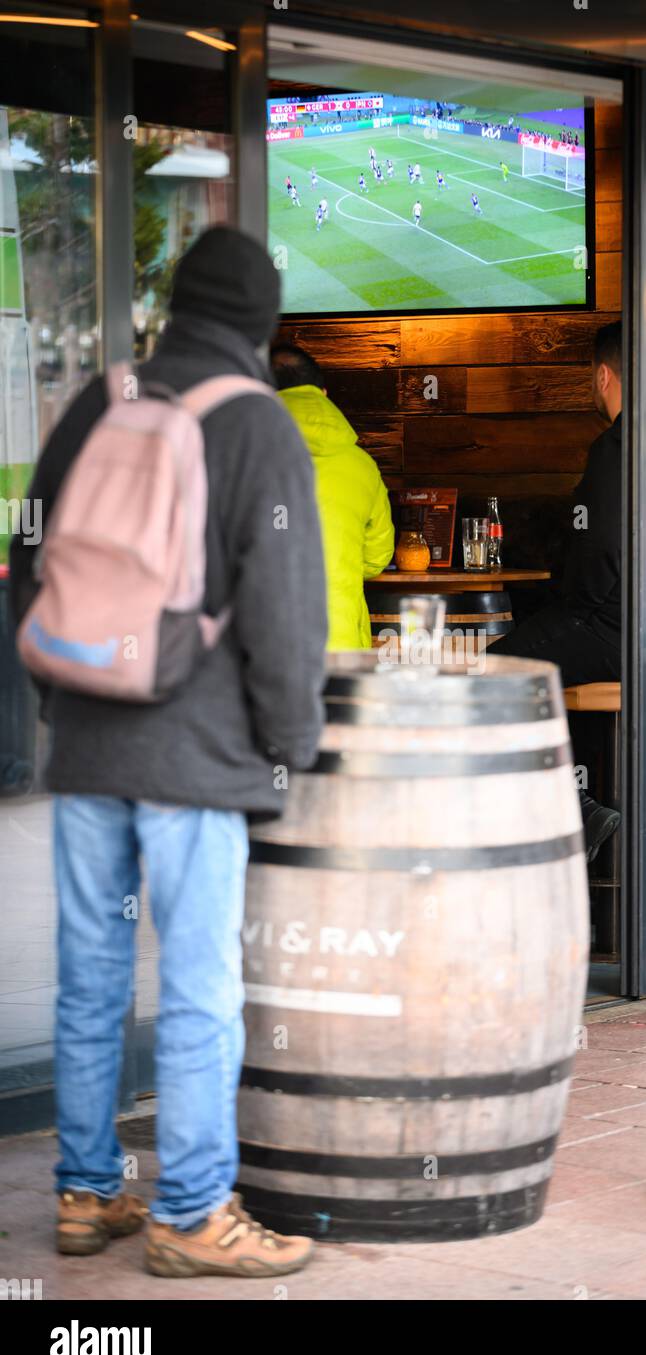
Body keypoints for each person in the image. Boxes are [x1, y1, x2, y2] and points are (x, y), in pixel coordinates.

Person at [9, 227, 328, 1273]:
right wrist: (292, 749)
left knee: (91, 977)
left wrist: (61, 686)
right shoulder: (257, 423)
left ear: (176, 306)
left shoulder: (104, 401)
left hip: (91, 745)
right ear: (263, 325)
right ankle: (191, 1211)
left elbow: (28, 549)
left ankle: (86, 1192)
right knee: (198, 985)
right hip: (196, 755)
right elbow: (286, 615)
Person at [492, 321, 624, 859]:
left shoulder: (617, 446)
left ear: (603, 376)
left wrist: (574, 608)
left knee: (486, 677)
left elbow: (603, 551)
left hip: (610, 625)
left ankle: (570, 809)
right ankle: (577, 800)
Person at [272, 346, 394, 649]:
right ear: (324, 393)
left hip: (263, 646)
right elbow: (377, 559)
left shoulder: (239, 456)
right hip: (341, 642)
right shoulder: (362, 465)